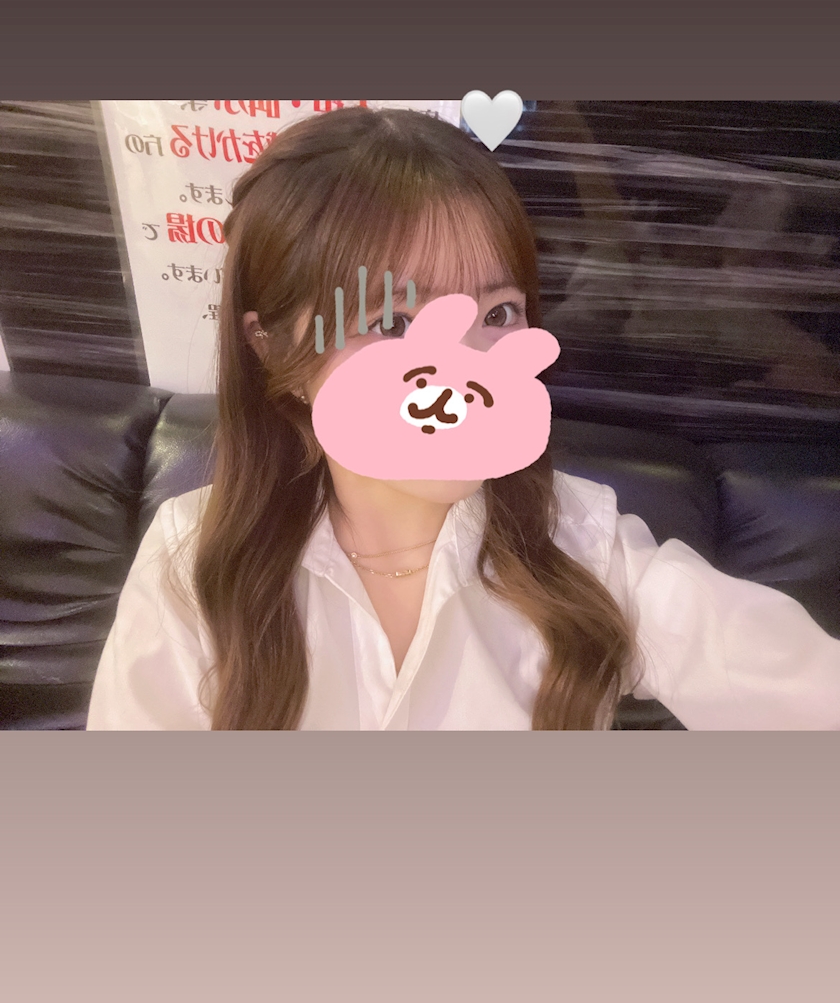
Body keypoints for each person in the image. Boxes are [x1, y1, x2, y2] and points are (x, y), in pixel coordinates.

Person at [86, 107, 840, 731]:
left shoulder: (586, 545)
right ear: (275, 346)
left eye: (498, 313)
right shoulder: (194, 564)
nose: (466, 370)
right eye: (391, 321)